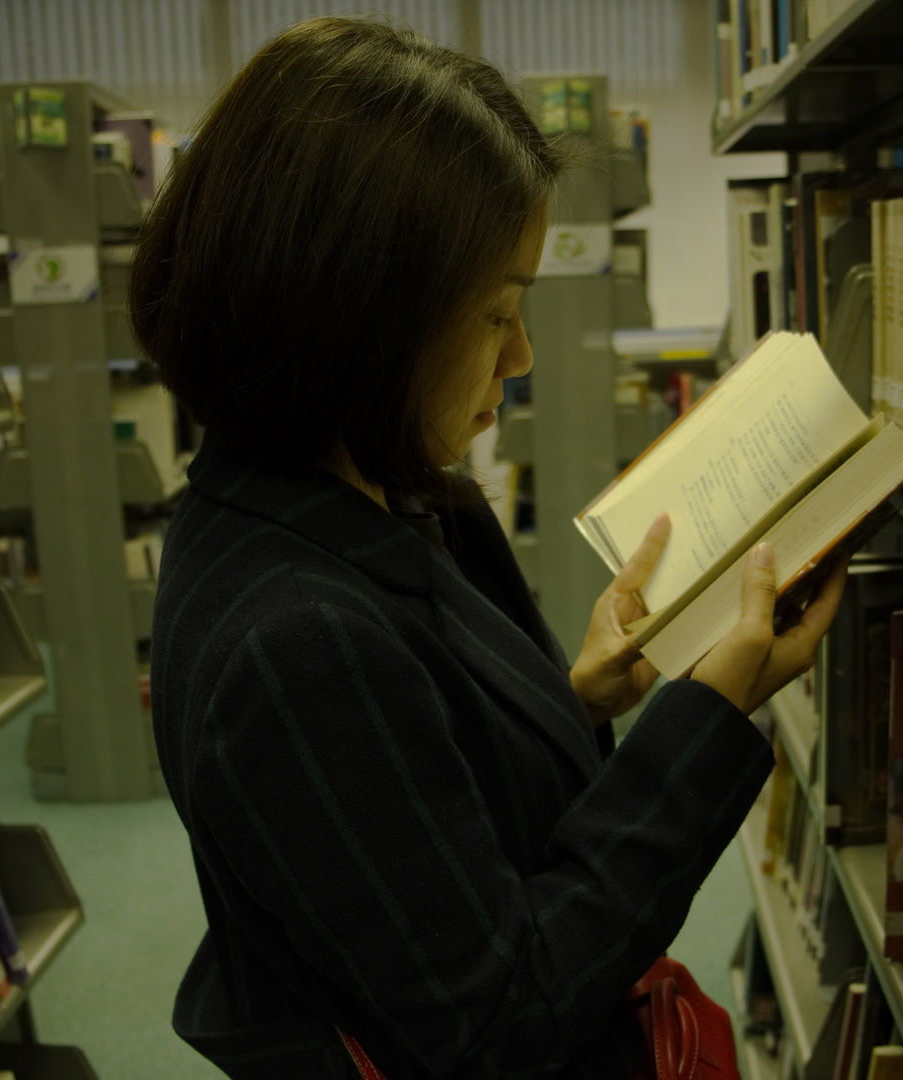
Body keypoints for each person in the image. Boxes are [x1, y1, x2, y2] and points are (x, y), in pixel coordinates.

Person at [130, 16, 847, 1080]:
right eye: (493, 314)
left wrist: (577, 700)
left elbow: (411, 814)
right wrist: (708, 719)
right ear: (354, 322)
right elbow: (496, 1020)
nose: (518, 355)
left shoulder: (327, 500)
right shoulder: (294, 643)